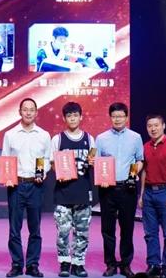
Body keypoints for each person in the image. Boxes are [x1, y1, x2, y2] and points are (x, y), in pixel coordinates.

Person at [2, 98, 51, 278]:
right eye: (25, 109)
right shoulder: (10, 134)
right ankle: (16, 264)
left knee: (35, 228)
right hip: (16, 185)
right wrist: (7, 177)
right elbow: (5, 159)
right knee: (14, 229)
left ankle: (32, 265)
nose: (28, 112)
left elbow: (47, 159)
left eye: (32, 110)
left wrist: (43, 172)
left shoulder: (44, 135)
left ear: (36, 112)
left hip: (36, 186)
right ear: (20, 112)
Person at [95, 102, 143, 278]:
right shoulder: (101, 138)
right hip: (107, 189)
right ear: (110, 117)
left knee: (127, 228)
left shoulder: (136, 137)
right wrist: (101, 177)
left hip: (127, 188)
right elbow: (97, 162)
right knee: (107, 229)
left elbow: (140, 160)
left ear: (126, 117)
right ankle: (110, 264)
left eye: (121, 116)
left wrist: (134, 172)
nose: (117, 119)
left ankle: (125, 264)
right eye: (114, 116)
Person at [50, 102, 95, 278]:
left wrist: (92, 162)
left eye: (75, 115)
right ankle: (64, 262)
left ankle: (78, 263)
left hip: (83, 191)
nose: (73, 119)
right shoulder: (58, 139)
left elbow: (93, 160)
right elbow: (52, 163)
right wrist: (59, 171)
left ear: (81, 117)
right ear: (64, 118)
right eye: (69, 116)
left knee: (82, 231)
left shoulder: (89, 139)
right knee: (63, 231)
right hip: (63, 192)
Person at [139, 115, 166, 278]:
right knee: (150, 233)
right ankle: (153, 265)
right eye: (150, 126)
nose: (153, 128)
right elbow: (144, 171)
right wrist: (142, 195)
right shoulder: (145, 146)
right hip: (149, 193)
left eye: (156, 125)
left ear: (163, 126)